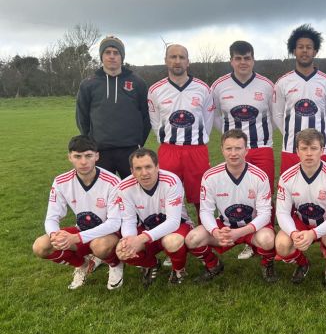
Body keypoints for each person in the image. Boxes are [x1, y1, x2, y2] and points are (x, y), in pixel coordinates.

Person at [32, 135, 124, 290]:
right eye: (77, 156)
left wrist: (75, 237)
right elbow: (52, 218)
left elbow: (115, 223)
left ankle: (115, 265)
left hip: (108, 235)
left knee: (99, 246)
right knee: (40, 246)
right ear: (70, 157)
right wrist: (55, 235)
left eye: (88, 156)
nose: (83, 162)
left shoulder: (113, 181)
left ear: (97, 156)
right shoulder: (61, 182)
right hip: (82, 231)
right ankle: (83, 264)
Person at [184, 129, 277, 283]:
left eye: (238, 148)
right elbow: (206, 211)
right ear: (222, 150)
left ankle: (267, 264)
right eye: (229, 148)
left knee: (267, 240)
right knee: (192, 239)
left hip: (252, 226)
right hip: (225, 226)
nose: (233, 153)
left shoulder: (259, 176)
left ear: (246, 150)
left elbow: (265, 214)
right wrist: (215, 231)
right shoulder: (211, 176)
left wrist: (240, 232)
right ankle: (213, 264)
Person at [275, 128, 326, 288]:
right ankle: (302, 263)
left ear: (322, 150)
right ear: (297, 151)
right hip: (302, 223)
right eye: (304, 148)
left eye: (313, 148)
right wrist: (294, 233)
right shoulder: (287, 177)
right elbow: (282, 212)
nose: (309, 153)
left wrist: (314, 234)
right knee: (281, 246)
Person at [148, 44, 214, 218]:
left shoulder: (203, 88)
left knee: (202, 198)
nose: (177, 61)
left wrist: (194, 139)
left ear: (188, 62)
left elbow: (207, 121)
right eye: (173, 57)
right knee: (167, 198)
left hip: (196, 149)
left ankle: (205, 241)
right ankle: (175, 238)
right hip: (169, 150)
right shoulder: (155, 90)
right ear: (166, 61)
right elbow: (156, 122)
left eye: (181, 57)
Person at [116, 148, 193, 286]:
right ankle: (151, 264)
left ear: (157, 167)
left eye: (148, 167)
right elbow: (128, 220)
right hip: (147, 228)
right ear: (132, 171)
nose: (144, 173)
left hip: (176, 227)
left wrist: (140, 239)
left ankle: (179, 269)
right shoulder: (123, 187)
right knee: (121, 250)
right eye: (138, 168)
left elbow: (173, 222)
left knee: (172, 241)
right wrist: (129, 240)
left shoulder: (171, 181)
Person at [76, 36, 150, 178]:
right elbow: (82, 117)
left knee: (132, 192)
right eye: (107, 52)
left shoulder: (137, 82)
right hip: (100, 150)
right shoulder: (88, 84)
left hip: (130, 149)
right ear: (101, 56)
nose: (112, 56)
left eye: (116, 53)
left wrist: (139, 142)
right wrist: (90, 142)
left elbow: (146, 116)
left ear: (122, 56)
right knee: (103, 195)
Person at [211, 41, 276, 193]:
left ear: (253, 60)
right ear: (231, 61)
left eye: (247, 58)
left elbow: (275, 115)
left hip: (262, 147)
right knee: (236, 192)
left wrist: (263, 135)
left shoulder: (267, 85)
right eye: (238, 58)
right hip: (234, 150)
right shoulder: (218, 86)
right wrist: (230, 137)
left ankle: (266, 218)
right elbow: (214, 116)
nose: (243, 62)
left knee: (265, 193)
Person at [272, 25, 326, 174]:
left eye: (309, 47)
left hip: (321, 149)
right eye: (300, 47)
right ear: (294, 51)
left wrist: (316, 136)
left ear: (315, 51)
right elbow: (278, 115)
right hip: (291, 148)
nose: (305, 50)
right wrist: (293, 134)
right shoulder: (283, 82)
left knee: (322, 191)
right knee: (291, 191)